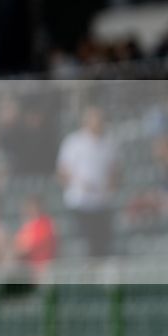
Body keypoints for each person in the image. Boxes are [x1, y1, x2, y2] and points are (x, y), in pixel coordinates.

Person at [56, 105, 118, 259]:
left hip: (101, 200)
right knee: (87, 243)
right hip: (80, 201)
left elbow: (114, 169)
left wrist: (110, 185)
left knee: (103, 243)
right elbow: (62, 170)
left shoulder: (109, 142)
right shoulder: (74, 142)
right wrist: (79, 183)